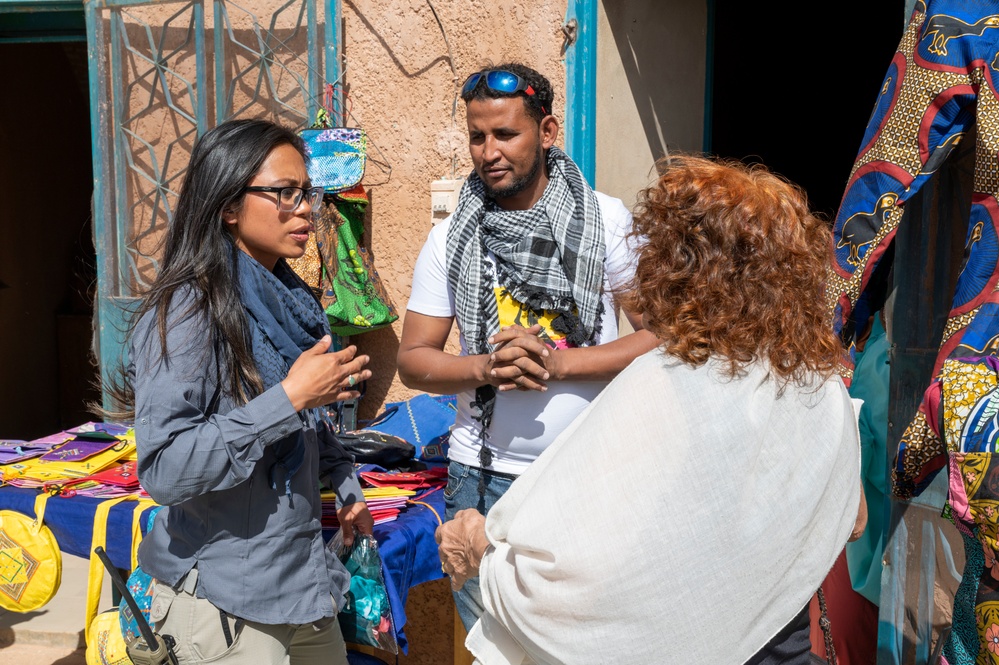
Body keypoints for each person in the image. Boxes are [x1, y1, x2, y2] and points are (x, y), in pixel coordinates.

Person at [436, 155, 864, 664]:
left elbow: (570, 586)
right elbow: (851, 518)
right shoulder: (818, 383)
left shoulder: (665, 381)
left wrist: (481, 549)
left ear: (679, 267)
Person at [396, 62, 658, 630]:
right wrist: (487, 367)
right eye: (476, 136)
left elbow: (659, 336)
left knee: (585, 642)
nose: (489, 151)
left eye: (506, 134)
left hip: (592, 472)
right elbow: (414, 360)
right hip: (482, 480)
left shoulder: (605, 222)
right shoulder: (450, 238)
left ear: (547, 132)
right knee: (496, 645)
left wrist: (556, 362)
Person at [107, 119, 374, 665]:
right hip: (225, 606)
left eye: (308, 193)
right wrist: (291, 397)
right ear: (229, 206)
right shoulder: (188, 310)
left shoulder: (291, 302)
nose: (305, 209)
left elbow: (307, 431)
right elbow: (164, 470)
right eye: (285, 194)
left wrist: (345, 481)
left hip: (302, 587)